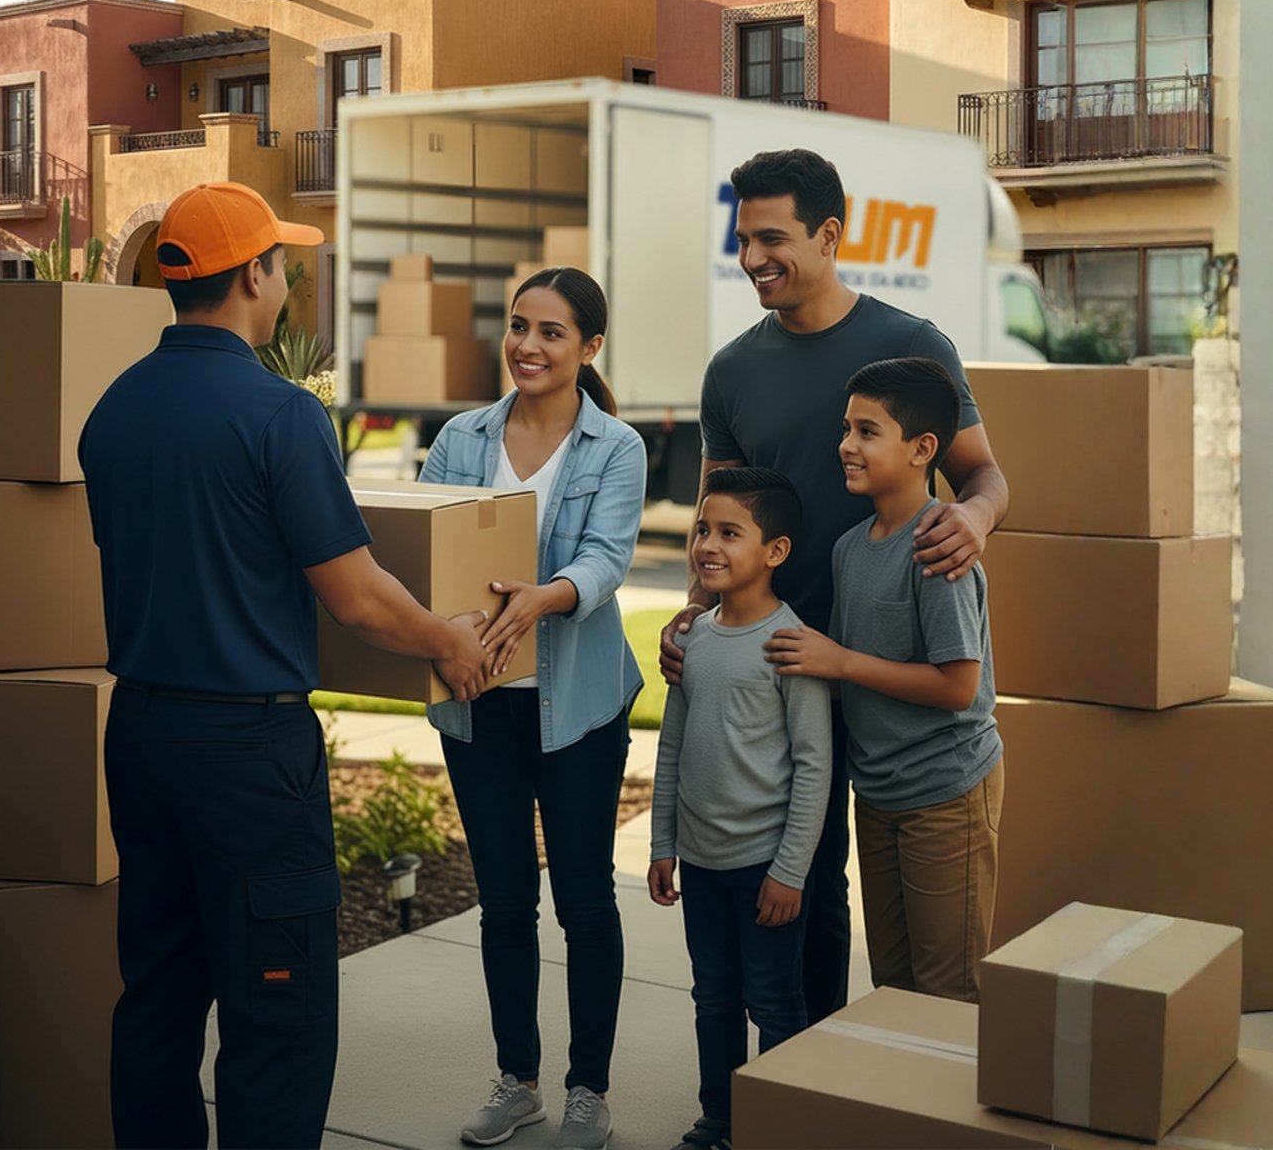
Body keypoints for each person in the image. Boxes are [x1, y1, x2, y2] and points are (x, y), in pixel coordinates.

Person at [79, 181, 491, 1150]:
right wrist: (450, 641)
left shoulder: (112, 409)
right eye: (282, 261)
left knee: (158, 999)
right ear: (253, 273)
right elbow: (354, 593)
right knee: (278, 1011)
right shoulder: (279, 414)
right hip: (248, 751)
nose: (289, 277)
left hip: (140, 732)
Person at [660, 148, 1011, 1026]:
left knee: (926, 927)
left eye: (771, 237)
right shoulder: (731, 371)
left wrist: (972, 521)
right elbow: (719, 516)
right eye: (742, 239)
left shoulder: (911, 347)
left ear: (828, 234)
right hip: (782, 669)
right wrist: (694, 617)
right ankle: (809, 1086)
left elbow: (987, 479)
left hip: (895, 669)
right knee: (806, 896)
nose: (752, 258)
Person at [417, 267, 646, 1150]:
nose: (528, 346)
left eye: (552, 333)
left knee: (585, 903)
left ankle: (588, 1088)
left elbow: (606, 560)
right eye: (519, 326)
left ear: (589, 349)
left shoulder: (614, 449)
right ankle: (518, 1080)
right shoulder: (460, 438)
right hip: (480, 706)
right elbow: (428, 551)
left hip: (577, 710)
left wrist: (539, 598)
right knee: (505, 903)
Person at [764, 357, 1003, 1001]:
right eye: (846, 429)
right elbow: (850, 671)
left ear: (923, 449)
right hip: (878, 794)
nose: (846, 445)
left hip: (944, 791)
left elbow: (959, 687)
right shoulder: (849, 547)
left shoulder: (939, 547)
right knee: (894, 984)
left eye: (867, 431)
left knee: (948, 991)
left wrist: (837, 661)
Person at [649, 467, 831, 1150]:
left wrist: (790, 871)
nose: (708, 544)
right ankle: (719, 1120)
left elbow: (815, 766)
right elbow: (672, 749)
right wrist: (662, 842)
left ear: (774, 551)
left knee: (775, 1002)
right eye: (702, 529)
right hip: (699, 864)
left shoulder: (790, 645)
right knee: (713, 1000)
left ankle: (779, 1126)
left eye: (730, 532)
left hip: (765, 871)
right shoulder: (692, 638)